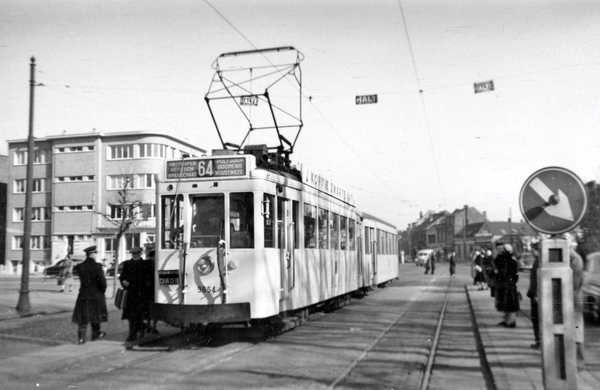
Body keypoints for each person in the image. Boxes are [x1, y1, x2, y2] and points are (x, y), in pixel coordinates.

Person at [72, 246, 108, 344]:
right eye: (95, 253)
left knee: (83, 316)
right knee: (95, 315)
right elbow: (103, 282)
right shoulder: (97, 266)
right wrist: (102, 291)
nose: (96, 255)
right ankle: (96, 334)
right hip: (96, 295)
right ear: (92, 254)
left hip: (83, 295)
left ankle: (81, 338)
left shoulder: (80, 266)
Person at [119, 247, 149, 349]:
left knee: (139, 315)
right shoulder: (127, 264)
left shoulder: (145, 264)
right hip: (131, 294)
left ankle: (140, 329)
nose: (135, 255)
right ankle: (133, 335)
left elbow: (148, 278)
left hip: (141, 294)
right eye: (133, 254)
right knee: (131, 316)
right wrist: (124, 282)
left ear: (140, 253)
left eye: (137, 254)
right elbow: (122, 276)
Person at [494, 243, 520, 328]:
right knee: (509, 303)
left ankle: (510, 321)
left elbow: (497, 270)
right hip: (510, 284)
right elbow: (516, 276)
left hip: (504, 284)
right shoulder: (513, 261)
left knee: (508, 304)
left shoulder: (502, 261)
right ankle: (508, 321)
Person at [526, 241, 541, 349]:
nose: (531, 253)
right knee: (536, 319)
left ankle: (539, 341)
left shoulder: (539, 262)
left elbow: (538, 280)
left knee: (537, 319)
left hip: (536, 296)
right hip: (535, 294)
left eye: (533, 250)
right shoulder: (538, 261)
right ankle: (539, 341)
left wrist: (536, 294)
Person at [143, 249, 159, 335]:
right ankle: (152, 326)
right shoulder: (152, 264)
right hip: (151, 289)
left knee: (150, 309)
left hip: (150, 290)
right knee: (153, 309)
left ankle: (150, 326)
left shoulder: (148, 263)